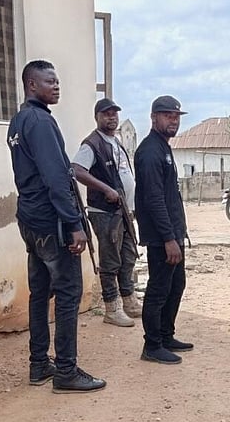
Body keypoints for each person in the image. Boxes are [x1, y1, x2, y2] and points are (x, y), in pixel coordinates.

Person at [7, 60, 106, 393]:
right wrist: (75, 223)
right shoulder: (39, 121)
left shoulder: (19, 121)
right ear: (32, 85)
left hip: (31, 219)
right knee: (67, 292)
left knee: (39, 292)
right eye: (50, 81)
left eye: (57, 80)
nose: (57, 85)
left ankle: (39, 364)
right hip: (52, 222)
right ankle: (65, 370)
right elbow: (56, 178)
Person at [71, 98, 142, 327]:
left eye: (114, 113)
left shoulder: (116, 142)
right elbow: (76, 170)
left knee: (128, 256)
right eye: (106, 114)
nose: (111, 117)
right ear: (97, 117)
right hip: (105, 211)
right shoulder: (92, 144)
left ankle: (129, 301)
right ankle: (112, 308)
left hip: (123, 212)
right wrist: (105, 189)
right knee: (111, 261)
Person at [134, 95, 193, 364]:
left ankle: (166, 335)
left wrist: (179, 232)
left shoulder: (163, 148)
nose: (173, 120)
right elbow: (154, 199)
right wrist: (169, 238)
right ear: (153, 117)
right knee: (159, 288)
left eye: (176, 116)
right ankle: (152, 345)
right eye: (168, 115)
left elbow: (170, 196)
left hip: (172, 233)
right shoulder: (150, 152)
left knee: (176, 284)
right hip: (161, 237)